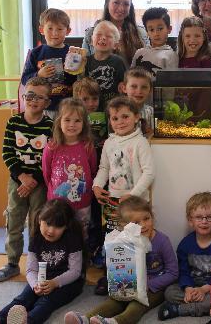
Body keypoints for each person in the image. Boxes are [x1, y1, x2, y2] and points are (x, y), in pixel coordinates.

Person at [64, 197, 178, 324]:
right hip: (130, 283)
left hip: (155, 287)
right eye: (136, 223)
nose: (144, 225)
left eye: (146, 218)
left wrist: (149, 285)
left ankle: (116, 321)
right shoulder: (123, 243)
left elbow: (173, 272)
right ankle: (85, 319)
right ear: (125, 226)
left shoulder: (162, 241)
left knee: (137, 305)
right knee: (115, 301)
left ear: (152, 216)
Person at [0, 78, 54, 283]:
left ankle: (36, 262)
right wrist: (21, 177)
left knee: (38, 222)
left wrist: (33, 180)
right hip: (17, 181)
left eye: (39, 97)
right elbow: (7, 153)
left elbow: (50, 158)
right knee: (14, 220)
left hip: (39, 182)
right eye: (30, 95)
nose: (33, 100)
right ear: (23, 96)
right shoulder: (13, 122)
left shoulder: (50, 126)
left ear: (47, 102)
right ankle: (12, 263)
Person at [92, 96, 155, 294]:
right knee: (114, 240)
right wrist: (96, 185)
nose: (120, 122)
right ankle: (113, 278)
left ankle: (139, 279)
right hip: (112, 203)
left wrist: (133, 195)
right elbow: (104, 167)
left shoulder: (140, 142)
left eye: (125, 116)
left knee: (137, 240)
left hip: (136, 204)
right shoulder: (109, 143)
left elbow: (149, 173)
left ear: (137, 117)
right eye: (115, 118)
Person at [0, 199, 85, 324]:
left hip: (68, 282)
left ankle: (27, 322)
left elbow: (75, 271)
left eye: (58, 226)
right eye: (47, 224)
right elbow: (31, 269)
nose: (51, 230)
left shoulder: (72, 238)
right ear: (39, 220)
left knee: (45, 302)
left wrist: (54, 283)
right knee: (22, 299)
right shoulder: (36, 238)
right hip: (42, 279)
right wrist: (35, 284)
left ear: (66, 227)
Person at [158, 192, 211, 320]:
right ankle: (197, 302)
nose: (204, 221)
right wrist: (188, 289)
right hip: (192, 283)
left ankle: (181, 309)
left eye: (210, 217)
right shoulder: (185, 244)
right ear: (190, 221)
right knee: (169, 292)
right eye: (199, 217)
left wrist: (204, 289)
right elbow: (183, 271)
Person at [42, 98, 97, 235]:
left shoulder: (88, 146)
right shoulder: (51, 147)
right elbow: (46, 173)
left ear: (84, 124)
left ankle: (81, 256)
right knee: (59, 234)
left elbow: (93, 171)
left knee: (81, 234)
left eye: (77, 121)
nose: (72, 124)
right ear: (59, 121)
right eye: (67, 120)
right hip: (57, 204)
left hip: (82, 202)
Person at [72, 77, 107, 267]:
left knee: (99, 213)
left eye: (94, 99)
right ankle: (84, 251)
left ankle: (97, 249)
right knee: (86, 216)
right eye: (85, 99)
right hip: (80, 176)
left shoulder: (104, 117)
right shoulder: (72, 122)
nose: (91, 104)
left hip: (101, 171)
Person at [21, 8, 76, 118]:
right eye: (50, 28)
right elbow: (24, 79)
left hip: (66, 107)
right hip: (42, 108)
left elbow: (77, 80)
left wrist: (71, 71)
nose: (54, 33)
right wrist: (39, 75)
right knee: (43, 134)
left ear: (68, 31)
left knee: (64, 134)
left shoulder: (72, 53)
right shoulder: (35, 53)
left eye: (60, 29)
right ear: (41, 30)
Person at [82, 0, 148, 67]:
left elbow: (147, 66)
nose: (121, 8)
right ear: (107, 3)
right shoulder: (91, 33)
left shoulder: (141, 33)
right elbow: (83, 68)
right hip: (97, 80)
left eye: (126, 4)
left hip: (133, 80)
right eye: (116, 2)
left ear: (130, 7)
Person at [82, 20, 127, 110]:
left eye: (108, 36)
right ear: (91, 40)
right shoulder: (86, 61)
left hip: (112, 107)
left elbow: (123, 85)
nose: (103, 38)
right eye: (99, 34)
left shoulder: (118, 62)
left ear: (115, 45)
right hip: (90, 107)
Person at [131, 7, 178, 74]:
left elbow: (172, 81)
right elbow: (131, 75)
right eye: (151, 30)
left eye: (160, 28)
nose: (156, 34)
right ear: (147, 32)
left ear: (169, 29)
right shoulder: (139, 53)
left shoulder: (171, 56)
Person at [122, 68, 154, 136]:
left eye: (144, 87)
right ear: (124, 88)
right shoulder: (117, 112)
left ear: (150, 90)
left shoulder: (152, 112)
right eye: (134, 86)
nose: (139, 91)